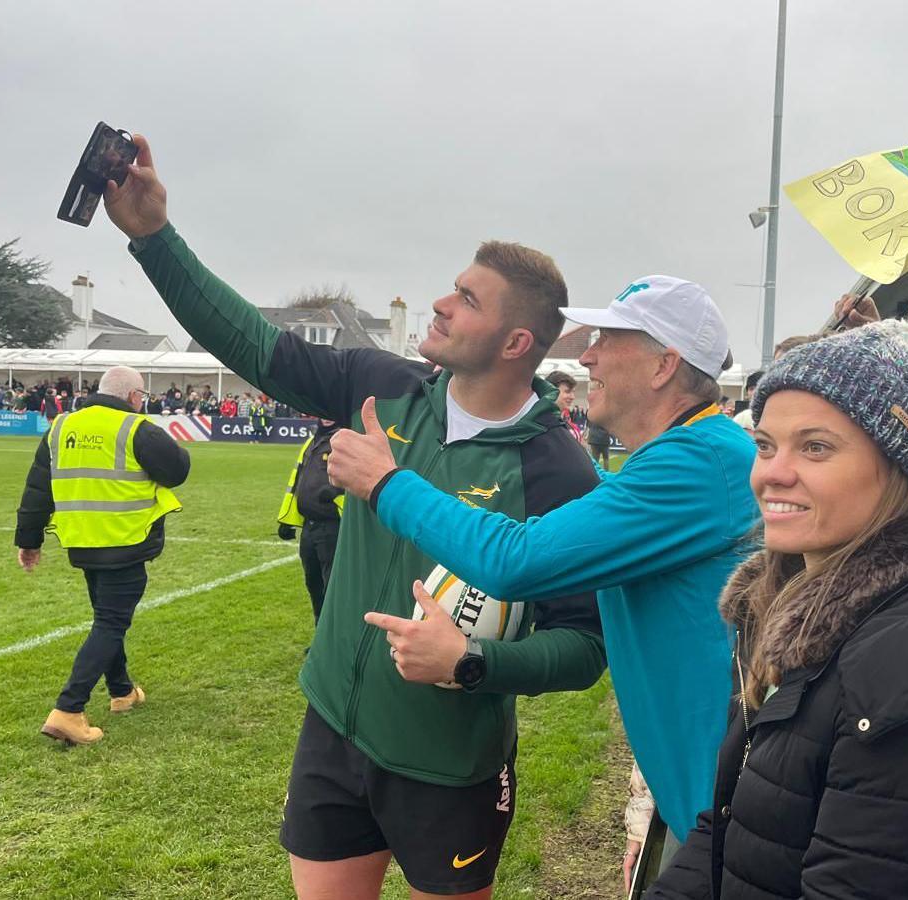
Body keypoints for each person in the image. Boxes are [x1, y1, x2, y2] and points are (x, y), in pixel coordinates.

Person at [104, 133, 606, 900]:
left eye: (467, 299)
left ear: (515, 342)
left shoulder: (558, 468)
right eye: (452, 286)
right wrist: (153, 237)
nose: (441, 302)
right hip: (334, 729)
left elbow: (583, 644)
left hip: (448, 764)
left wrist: (473, 665)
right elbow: (253, 342)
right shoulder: (383, 385)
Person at [648, 282, 908, 900]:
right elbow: (735, 819)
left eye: (816, 447)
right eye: (766, 444)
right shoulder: (793, 607)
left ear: (897, 469)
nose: (772, 473)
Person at [326, 275, 758, 854]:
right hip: (701, 798)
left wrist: (386, 484)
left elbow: (516, 561)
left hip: (727, 808)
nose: (587, 355)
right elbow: (581, 508)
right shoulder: (688, 457)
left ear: (664, 367)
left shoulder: (700, 462)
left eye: (608, 339)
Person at [14, 365, 190, 746]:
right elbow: (177, 469)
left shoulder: (61, 427)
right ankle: (68, 709)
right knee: (111, 624)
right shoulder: (135, 428)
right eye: (141, 397)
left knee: (107, 620)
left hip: (82, 543)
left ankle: (122, 691)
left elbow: (37, 488)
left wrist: (28, 541)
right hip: (124, 542)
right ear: (132, 397)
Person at [276, 418, 345, 631]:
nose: (325, 415)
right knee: (313, 583)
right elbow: (296, 482)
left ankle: (333, 640)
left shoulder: (346, 439)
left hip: (333, 527)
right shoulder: (312, 441)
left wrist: (336, 492)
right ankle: (320, 636)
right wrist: (286, 519)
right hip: (309, 527)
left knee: (333, 587)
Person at [544, 369, 585, 442]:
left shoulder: (568, 422)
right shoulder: (540, 425)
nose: (573, 397)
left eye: (573, 392)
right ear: (550, 392)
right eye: (567, 392)